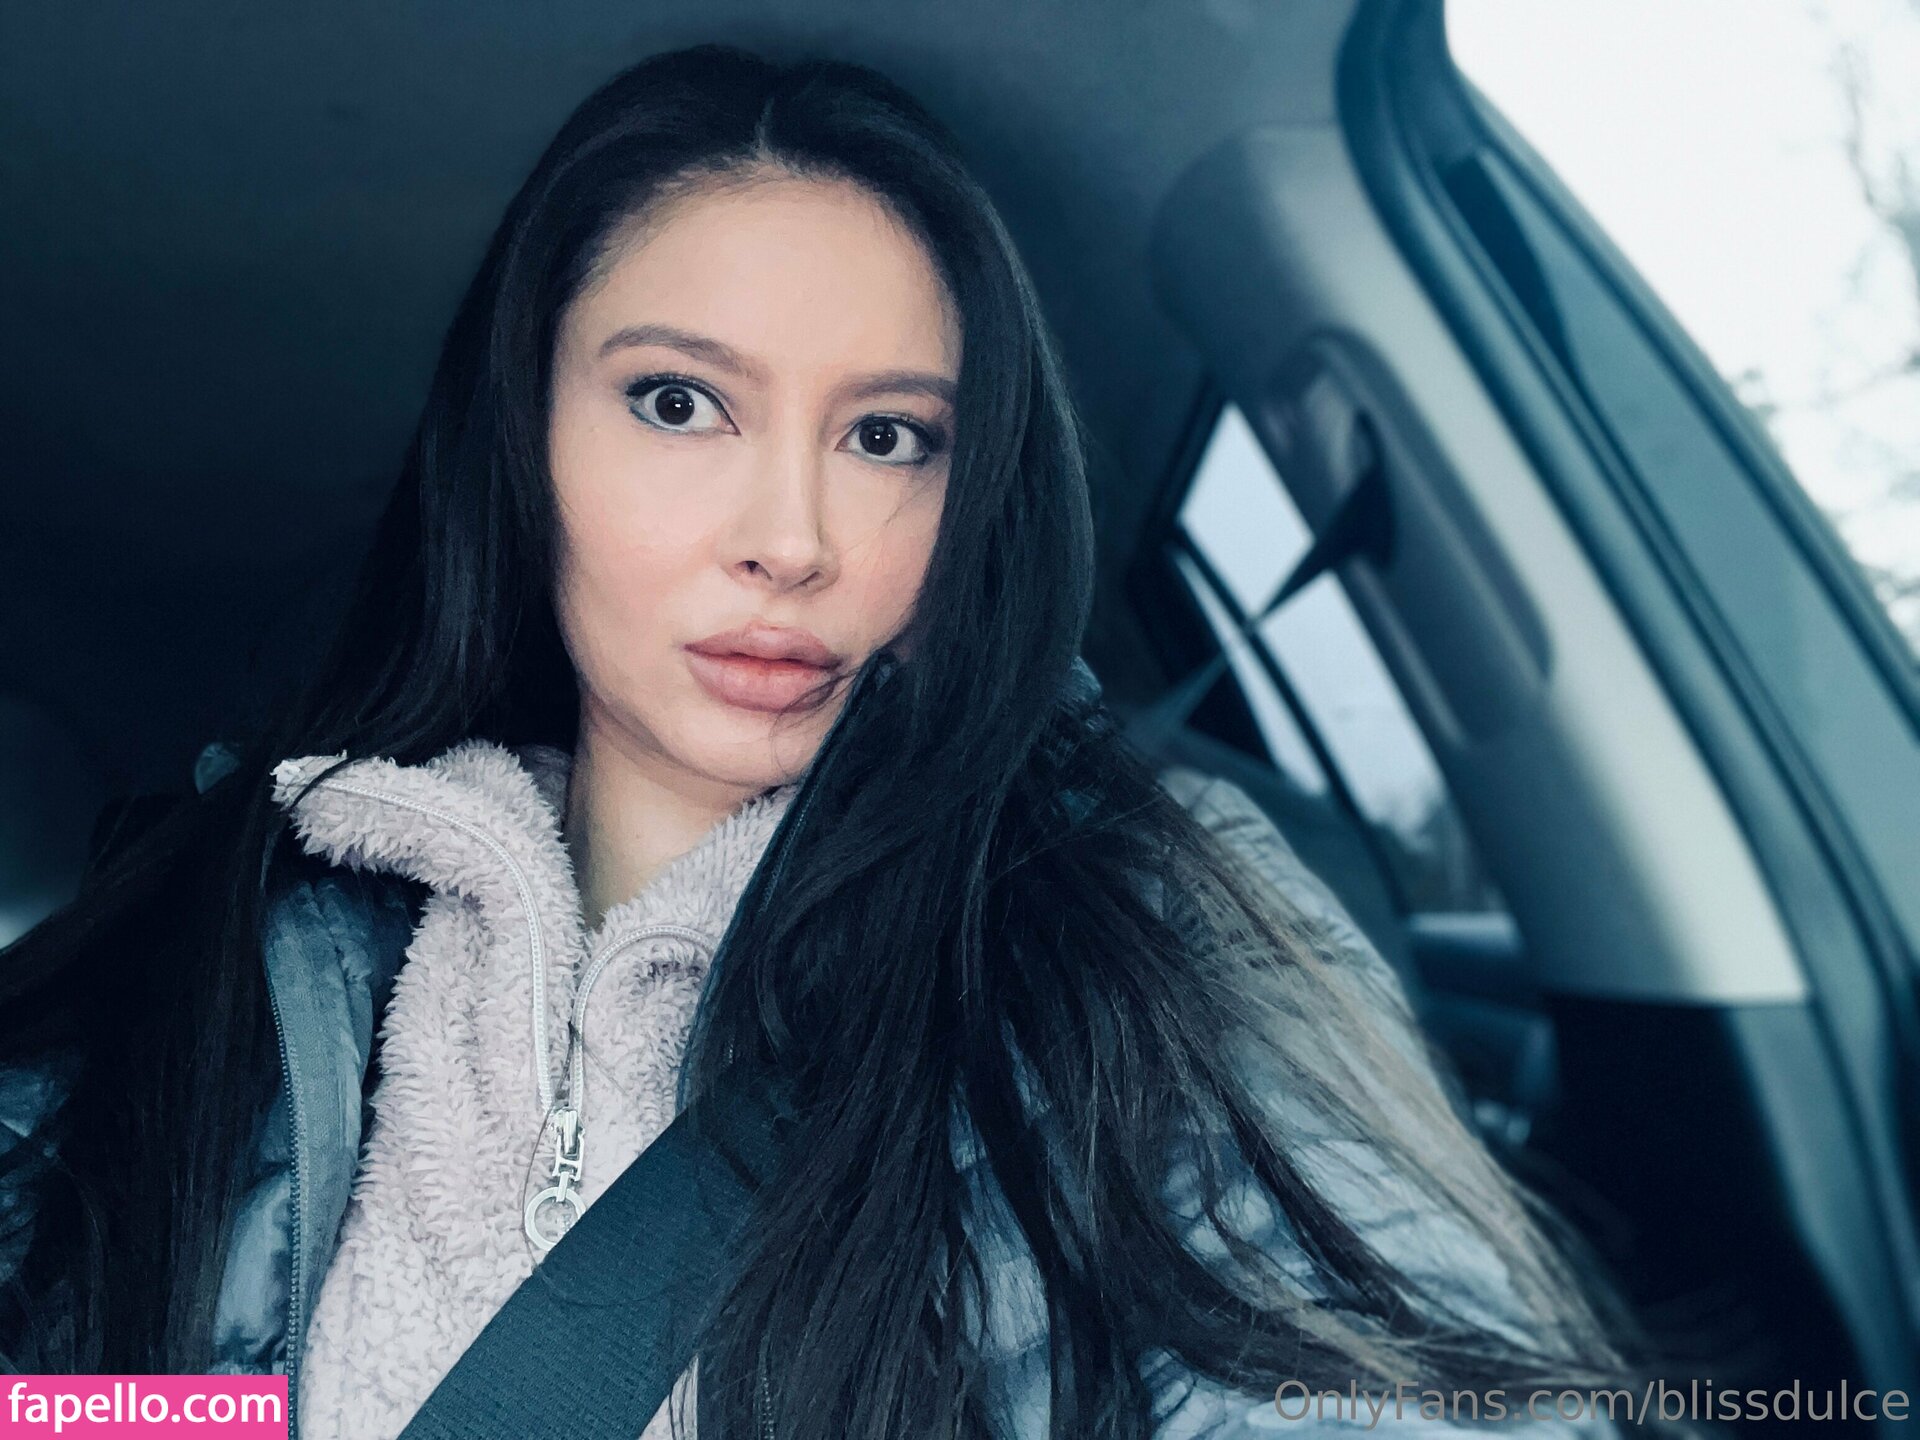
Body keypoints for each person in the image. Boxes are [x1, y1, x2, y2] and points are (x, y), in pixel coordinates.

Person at [0, 42, 1685, 1440]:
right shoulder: (225, 953)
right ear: (523, 444)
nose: (791, 539)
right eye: (678, 403)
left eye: (888, 437)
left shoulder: (1131, 931)